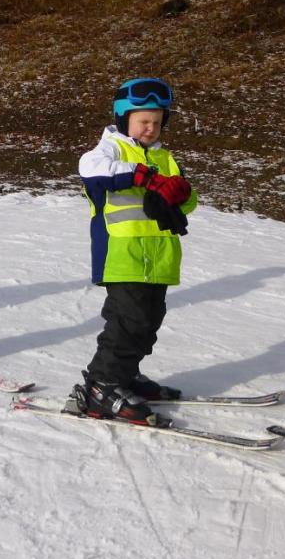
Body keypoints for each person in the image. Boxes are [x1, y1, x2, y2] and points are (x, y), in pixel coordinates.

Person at [69, 77, 197, 424]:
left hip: (158, 258)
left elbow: (188, 203)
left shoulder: (165, 157)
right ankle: (102, 386)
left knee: (149, 321)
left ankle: (125, 375)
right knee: (127, 322)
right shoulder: (109, 150)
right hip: (122, 256)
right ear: (125, 119)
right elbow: (90, 168)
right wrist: (144, 177)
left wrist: (181, 195)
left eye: (157, 122)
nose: (151, 128)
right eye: (143, 121)